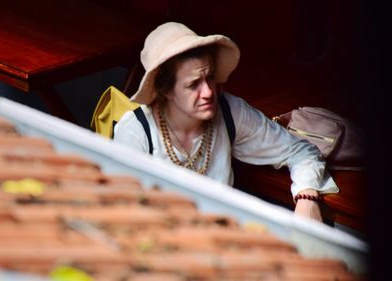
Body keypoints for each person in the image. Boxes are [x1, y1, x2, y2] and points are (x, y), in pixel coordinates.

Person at [113, 22, 338, 221]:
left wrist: (306, 196)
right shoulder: (136, 132)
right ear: (166, 90)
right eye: (193, 85)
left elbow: (300, 151)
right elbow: (122, 215)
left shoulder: (229, 110)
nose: (208, 92)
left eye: (209, 77)